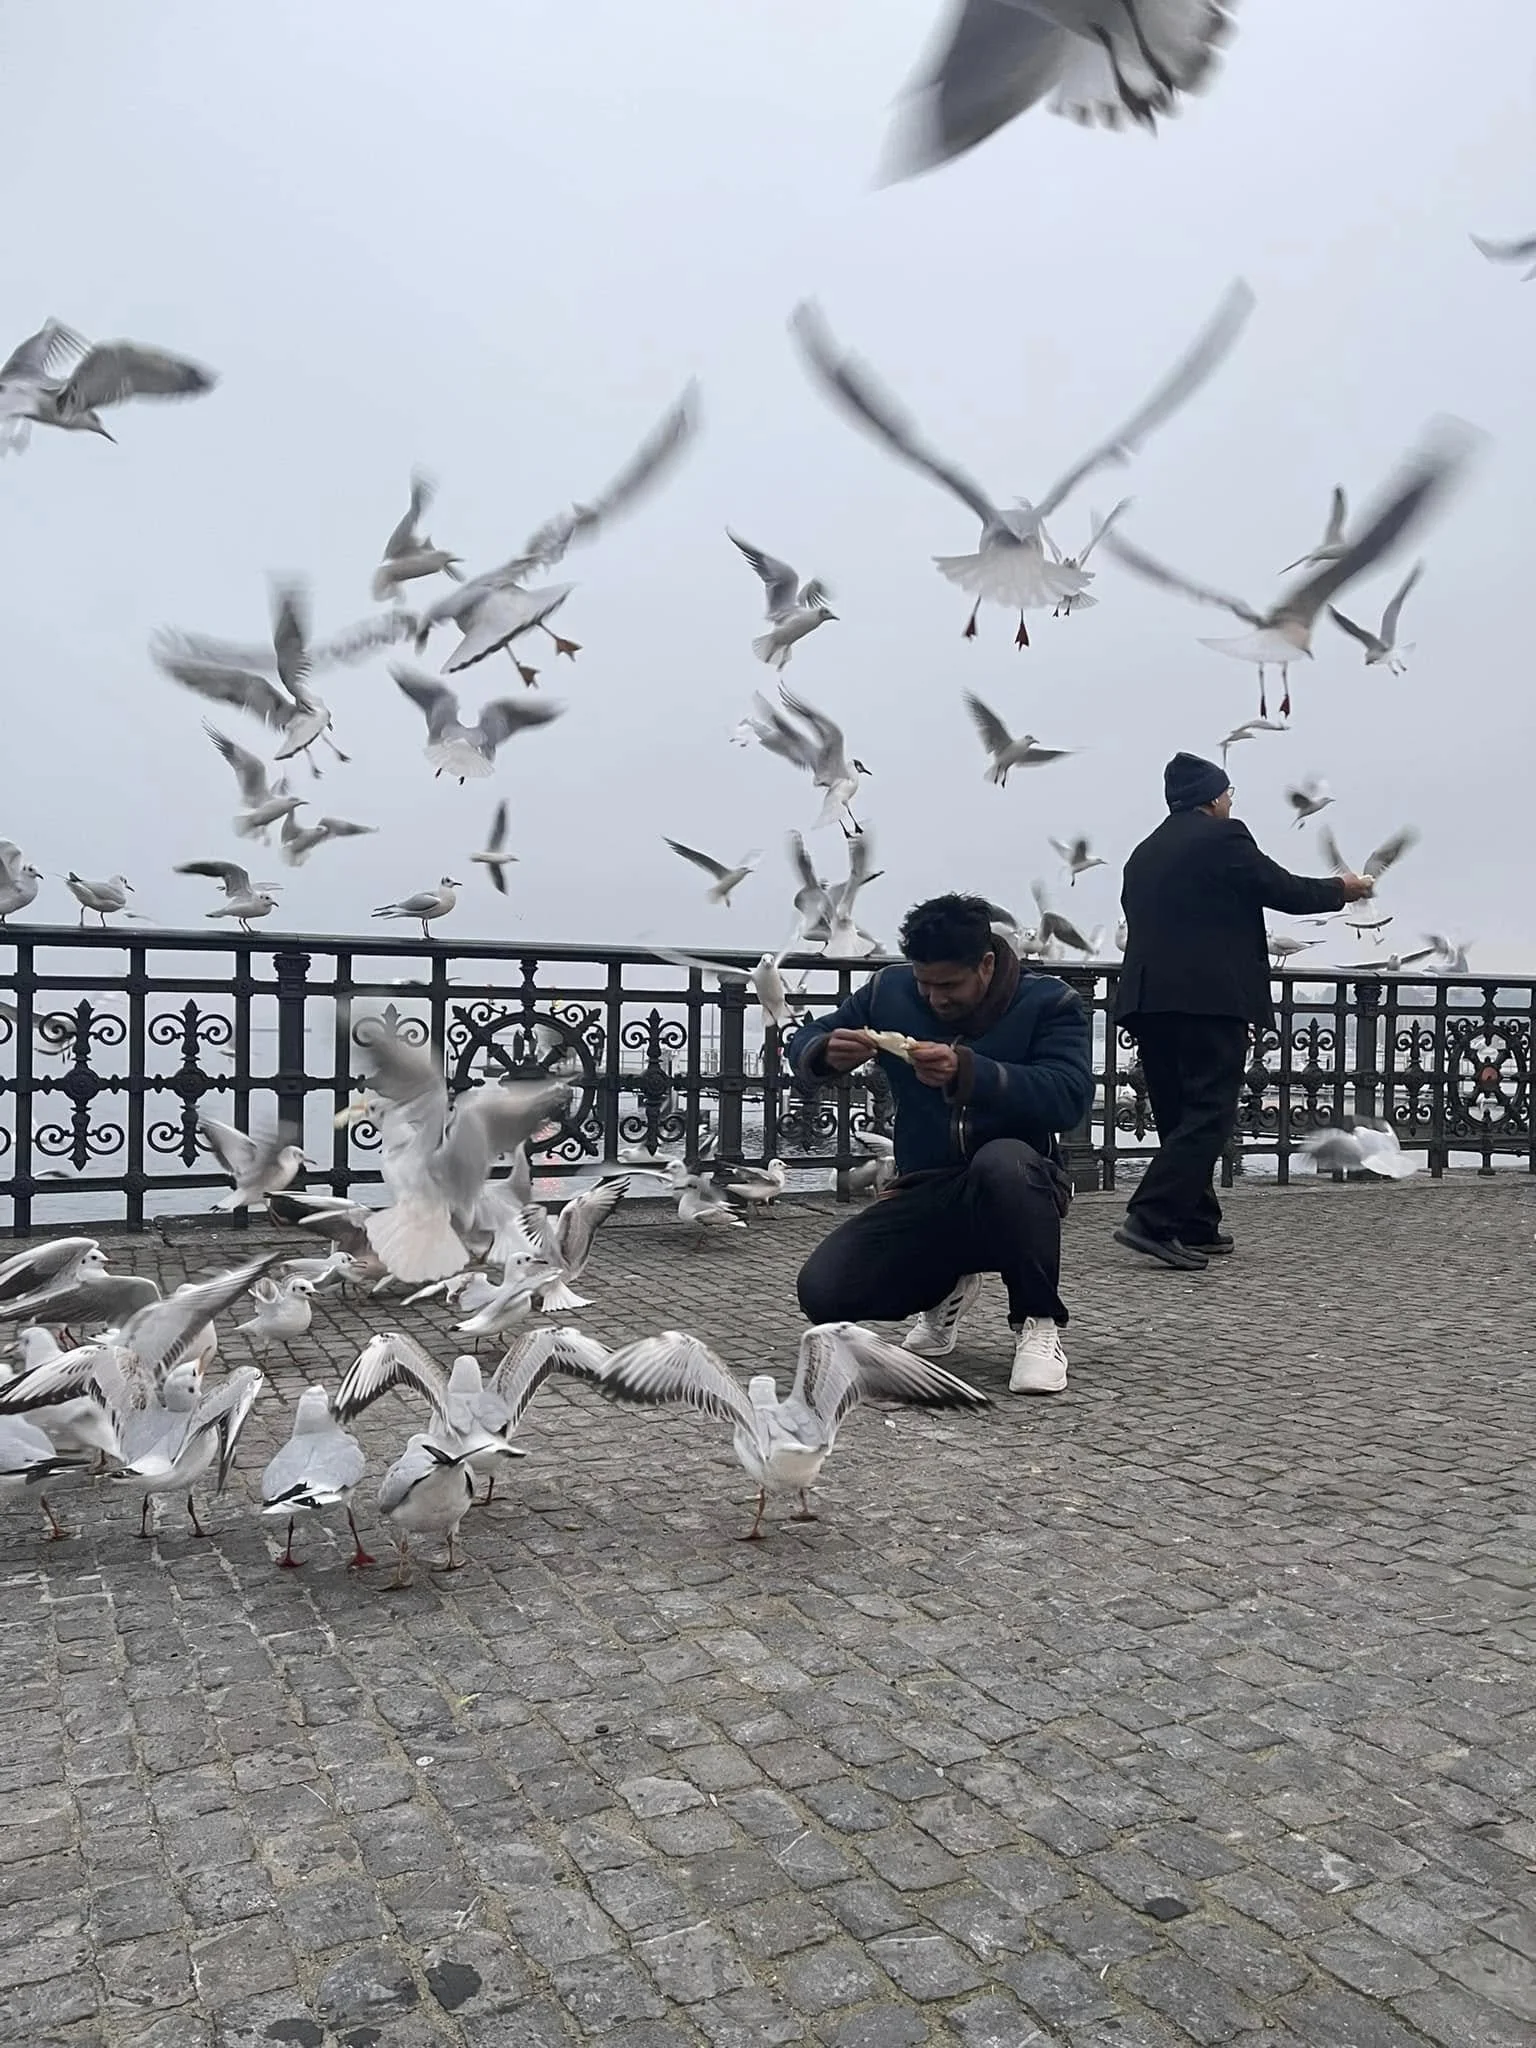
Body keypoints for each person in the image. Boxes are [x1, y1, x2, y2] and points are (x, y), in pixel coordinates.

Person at [787, 893, 1094, 1395]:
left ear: (987, 964)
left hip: (1019, 1182)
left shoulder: (1049, 1002)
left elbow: (1068, 1097)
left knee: (1004, 1162)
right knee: (824, 1292)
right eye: (923, 984)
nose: (934, 999)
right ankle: (949, 1285)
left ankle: (1038, 1323)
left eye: (949, 985)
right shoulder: (889, 989)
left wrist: (970, 1072)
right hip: (924, 1184)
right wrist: (822, 1052)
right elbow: (810, 1034)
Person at [1113, 751, 1376, 1271]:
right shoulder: (1224, 837)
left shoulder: (1142, 853)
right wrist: (1341, 892)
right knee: (1210, 1111)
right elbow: (1280, 889)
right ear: (1213, 798)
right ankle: (1150, 1218)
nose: (1231, 802)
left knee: (1176, 1112)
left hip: (1148, 1000)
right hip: (1209, 1000)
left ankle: (1196, 1223)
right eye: (1229, 793)